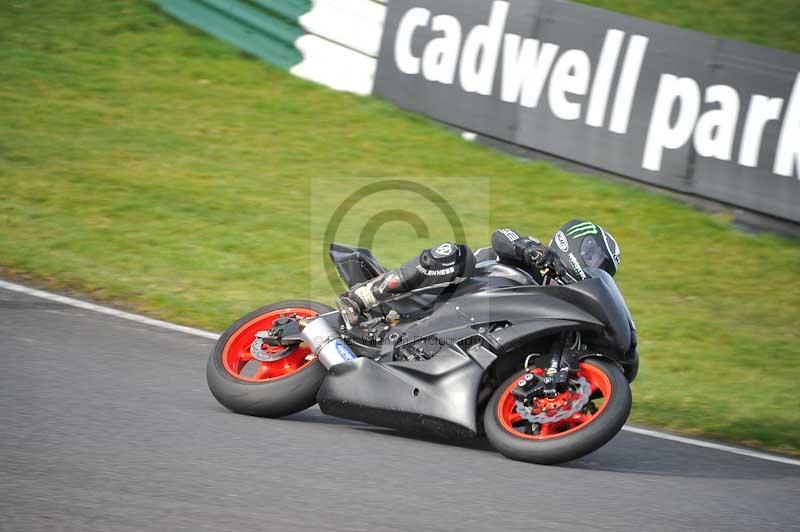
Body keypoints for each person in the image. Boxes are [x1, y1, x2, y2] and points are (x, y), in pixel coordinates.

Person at [336, 220, 621, 328]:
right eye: (594, 259)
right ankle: (365, 297)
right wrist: (528, 248)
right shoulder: (535, 256)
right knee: (457, 253)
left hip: (468, 328)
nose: (594, 268)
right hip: (444, 294)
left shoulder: (560, 302)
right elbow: (502, 234)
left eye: (601, 269)